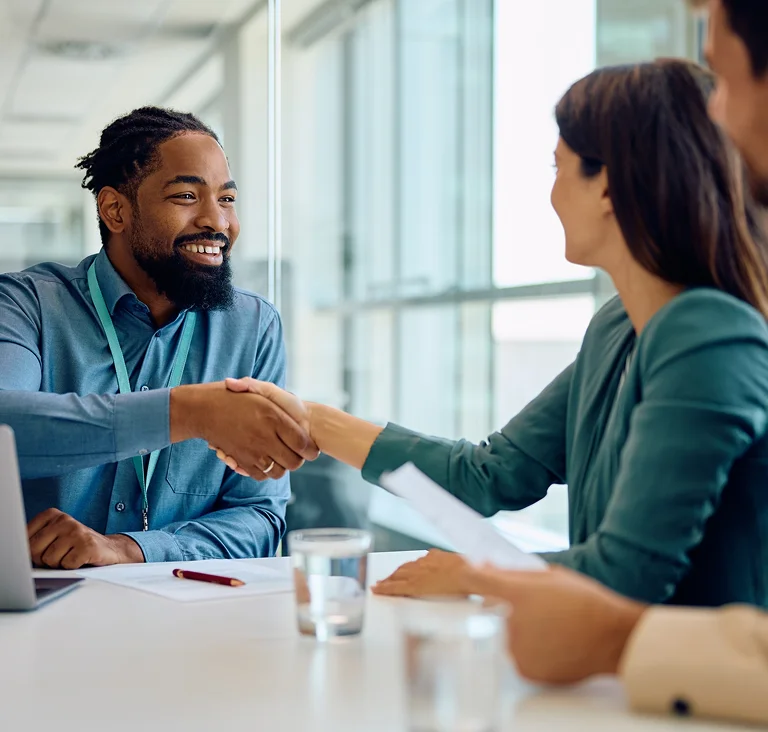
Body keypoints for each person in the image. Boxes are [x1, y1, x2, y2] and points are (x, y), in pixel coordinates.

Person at [227, 0, 768, 726]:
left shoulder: (708, 331)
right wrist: (313, 422)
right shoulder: (617, 327)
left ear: (606, 186)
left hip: (704, 706)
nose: (548, 194)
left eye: (557, 168)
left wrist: (470, 577)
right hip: (620, 695)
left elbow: (623, 574)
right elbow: (490, 475)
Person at [0, 107, 318, 569]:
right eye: (187, 195)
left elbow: (260, 516)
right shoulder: (27, 304)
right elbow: (5, 421)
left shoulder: (254, 327)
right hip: (37, 608)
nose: (217, 222)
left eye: (227, 199)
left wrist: (130, 549)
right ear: (115, 210)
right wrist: (190, 412)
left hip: (187, 613)